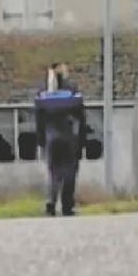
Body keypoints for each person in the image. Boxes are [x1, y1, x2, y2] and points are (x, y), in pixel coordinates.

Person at [35, 63, 86, 217]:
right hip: (68, 135)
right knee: (70, 171)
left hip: (51, 136)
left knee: (54, 172)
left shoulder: (43, 93)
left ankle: (50, 203)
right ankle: (67, 205)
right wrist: (82, 141)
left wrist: (41, 141)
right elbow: (81, 117)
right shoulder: (72, 91)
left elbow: (39, 119)